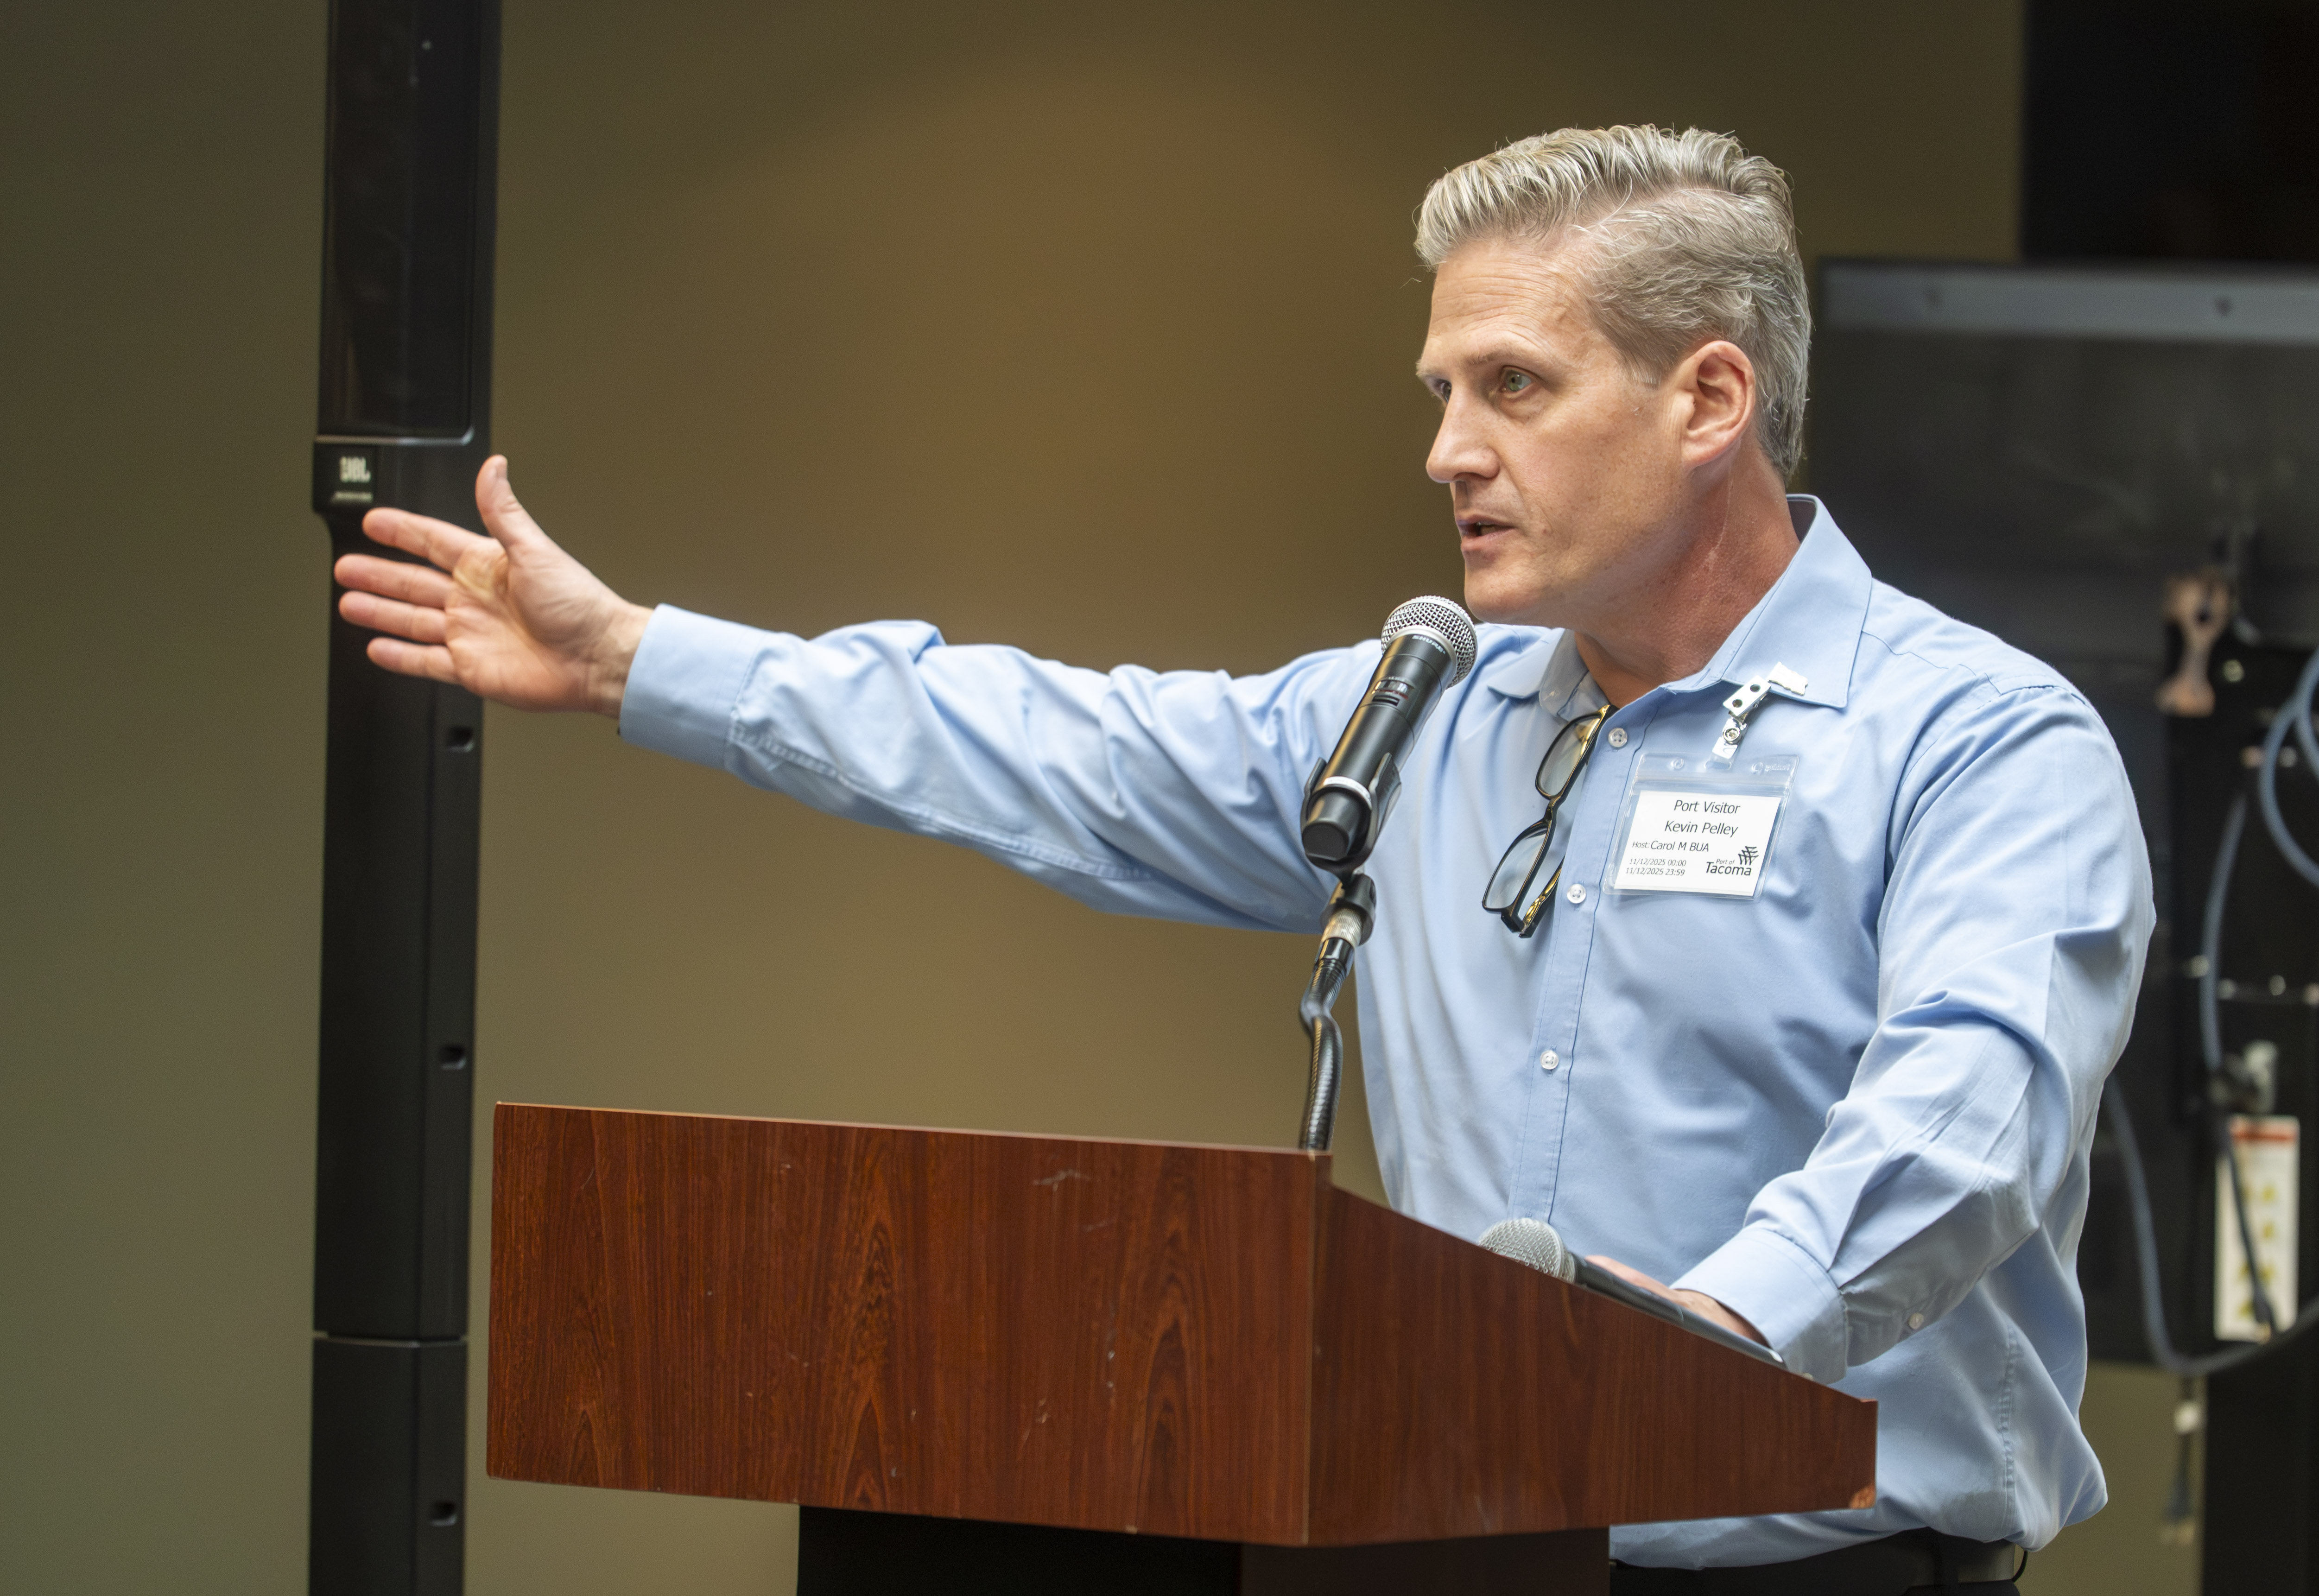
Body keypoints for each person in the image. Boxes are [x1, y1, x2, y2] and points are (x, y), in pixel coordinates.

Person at [334, 126, 2150, 1591]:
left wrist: (1712, 1342)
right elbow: (1053, 743)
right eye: (1442, 390)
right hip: (1467, 1561)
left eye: (1513, 385)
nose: (1450, 451)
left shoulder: (1977, 742)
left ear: (1709, 399)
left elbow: (1967, 1118)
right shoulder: (1424, 711)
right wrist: (643, 658)